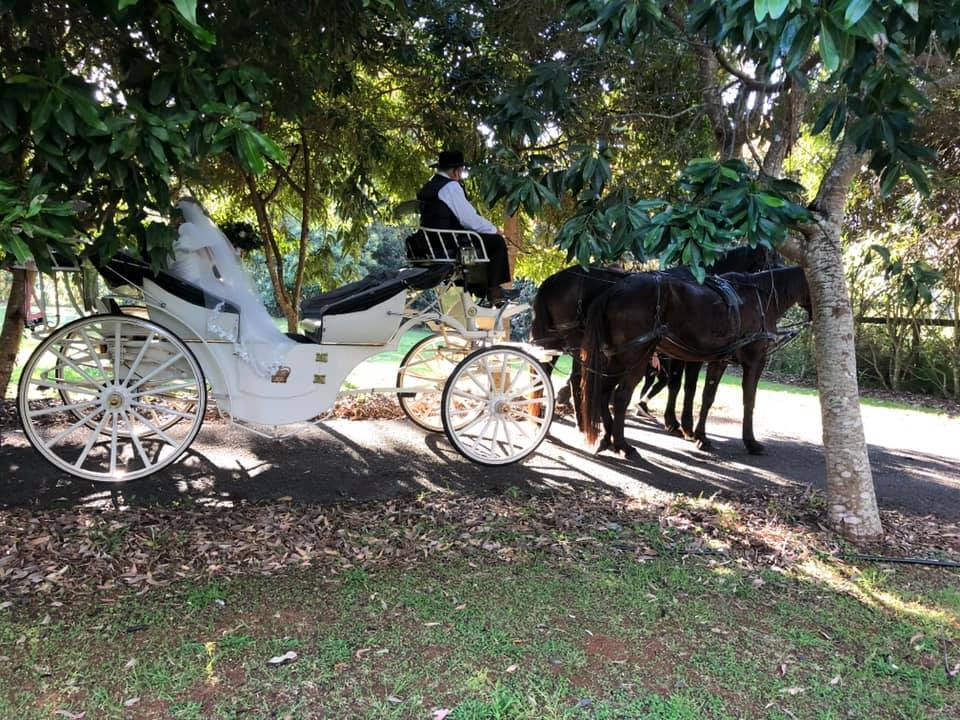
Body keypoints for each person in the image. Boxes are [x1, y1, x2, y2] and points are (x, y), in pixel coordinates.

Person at [416, 150, 518, 303]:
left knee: (480, 244)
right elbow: (468, 219)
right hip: (447, 241)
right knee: (496, 242)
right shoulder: (450, 187)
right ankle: (494, 291)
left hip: (430, 241)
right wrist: (494, 230)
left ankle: (476, 288)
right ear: (456, 171)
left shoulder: (430, 186)